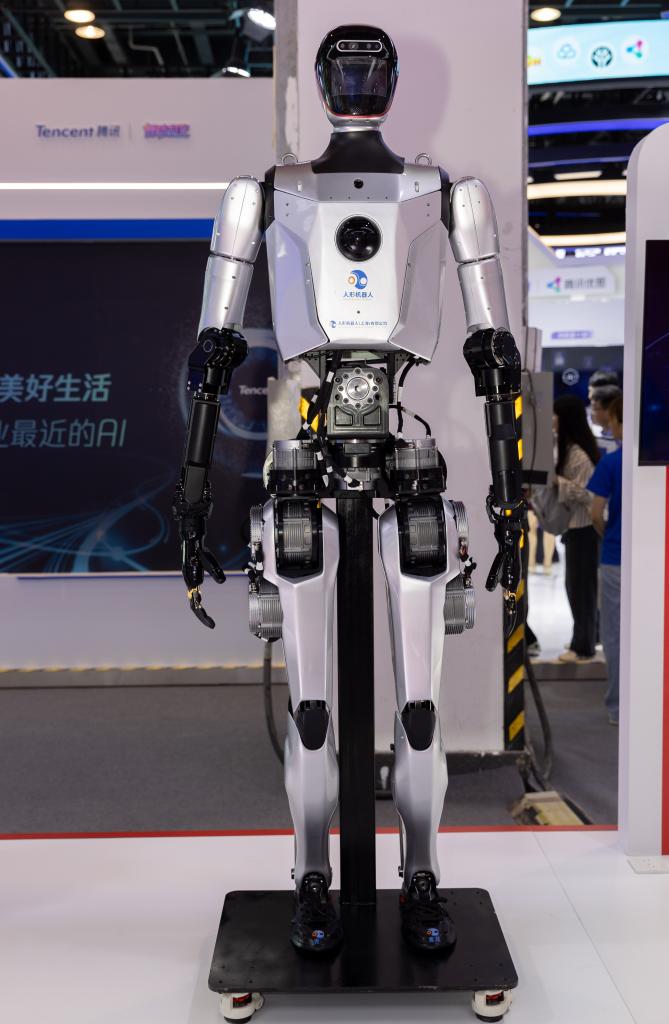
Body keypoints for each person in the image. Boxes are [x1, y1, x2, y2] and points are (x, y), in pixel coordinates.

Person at [553, 395, 601, 663]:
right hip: (576, 530)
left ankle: (582, 646)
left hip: (584, 531)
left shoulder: (579, 456)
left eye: (556, 416)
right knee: (577, 587)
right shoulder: (572, 450)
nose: (553, 421)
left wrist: (557, 482)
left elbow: (587, 494)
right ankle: (586, 638)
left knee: (580, 589)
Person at [588, 394, 623, 725]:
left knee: (614, 635)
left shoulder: (612, 463)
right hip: (653, 564)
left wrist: (608, 533)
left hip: (614, 557)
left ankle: (618, 708)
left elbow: (595, 512)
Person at [590, 384, 622, 457]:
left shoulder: (620, 439)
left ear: (610, 409)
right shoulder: (595, 434)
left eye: (595, 409)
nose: (592, 413)